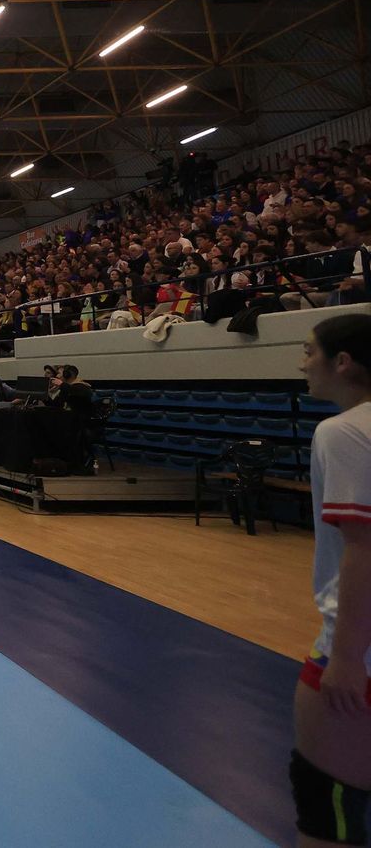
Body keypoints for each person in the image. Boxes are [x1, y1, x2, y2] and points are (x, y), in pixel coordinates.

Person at [292, 314, 371, 848]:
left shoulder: (343, 432)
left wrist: (346, 655)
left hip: (359, 650)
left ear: (342, 362)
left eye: (308, 350)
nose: (302, 363)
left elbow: (364, 546)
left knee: (328, 802)